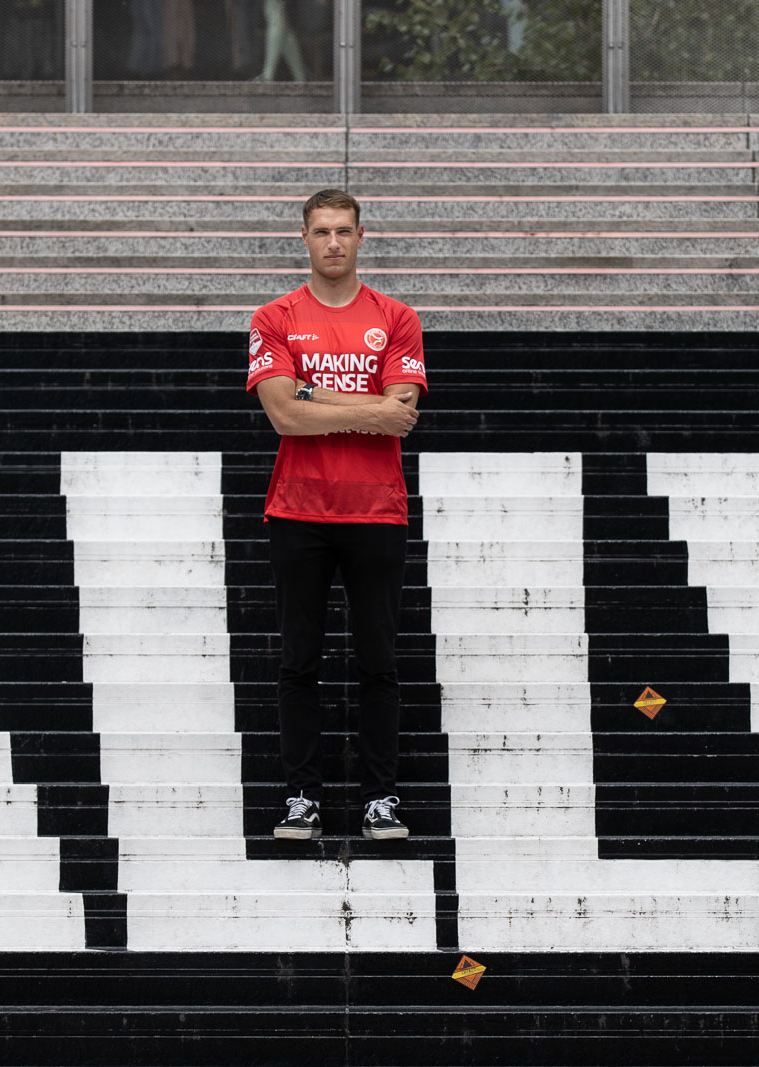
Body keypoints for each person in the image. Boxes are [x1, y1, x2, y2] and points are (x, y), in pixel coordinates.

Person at [246, 189, 427, 842]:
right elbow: (284, 415)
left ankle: (381, 799)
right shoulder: (273, 317)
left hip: (377, 512)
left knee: (379, 662)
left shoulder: (397, 317)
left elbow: (401, 414)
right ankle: (302, 797)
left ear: (361, 237)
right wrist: (365, 406)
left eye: (343, 231)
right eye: (321, 231)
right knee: (300, 660)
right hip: (298, 510)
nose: (332, 243)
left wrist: (318, 391)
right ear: (303, 237)